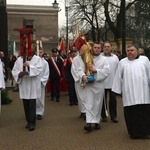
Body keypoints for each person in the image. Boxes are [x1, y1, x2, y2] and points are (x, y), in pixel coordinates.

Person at [112, 44, 150, 139]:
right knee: (130, 114)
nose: (129, 52)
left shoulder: (144, 60)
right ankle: (133, 133)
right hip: (129, 93)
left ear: (137, 51)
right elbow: (118, 77)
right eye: (128, 50)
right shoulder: (122, 62)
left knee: (144, 113)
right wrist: (117, 91)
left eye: (132, 50)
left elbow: (149, 73)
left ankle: (145, 132)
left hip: (143, 93)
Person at [78, 41, 110, 132]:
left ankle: (96, 122)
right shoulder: (87, 57)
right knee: (89, 102)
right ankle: (88, 122)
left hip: (98, 84)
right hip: (89, 84)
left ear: (101, 49)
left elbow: (107, 71)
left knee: (97, 103)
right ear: (92, 48)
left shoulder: (104, 60)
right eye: (95, 47)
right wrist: (83, 76)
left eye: (98, 48)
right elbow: (80, 69)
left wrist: (96, 70)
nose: (96, 49)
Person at [12, 54, 43, 131]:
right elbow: (14, 70)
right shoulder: (19, 60)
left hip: (32, 85)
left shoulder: (37, 59)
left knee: (32, 104)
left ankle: (32, 123)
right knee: (25, 104)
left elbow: (39, 69)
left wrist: (29, 67)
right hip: (24, 85)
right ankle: (28, 121)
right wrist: (19, 74)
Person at [101, 41, 119, 123]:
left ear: (111, 48)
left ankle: (113, 116)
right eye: (105, 46)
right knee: (102, 101)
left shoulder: (115, 57)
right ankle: (103, 116)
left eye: (108, 46)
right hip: (102, 82)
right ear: (103, 48)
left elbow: (118, 70)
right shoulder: (99, 57)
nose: (106, 48)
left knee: (113, 101)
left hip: (113, 82)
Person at [71, 37, 86, 119]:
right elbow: (73, 70)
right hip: (79, 81)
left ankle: (86, 111)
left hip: (86, 80)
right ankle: (82, 111)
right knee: (80, 96)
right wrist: (79, 78)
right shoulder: (76, 59)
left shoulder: (87, 57)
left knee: (86, 96)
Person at [36, 48, 49, 120]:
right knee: (34, 98)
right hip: (33, 82)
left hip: (40, 83)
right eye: (38, 52)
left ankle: (40, 113)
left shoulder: (45, 63)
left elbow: (46, 73)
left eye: (41, 52)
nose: (39, 53)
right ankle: (33, 111)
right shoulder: (33, 61)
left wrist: (42, 80)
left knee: (40, 98)